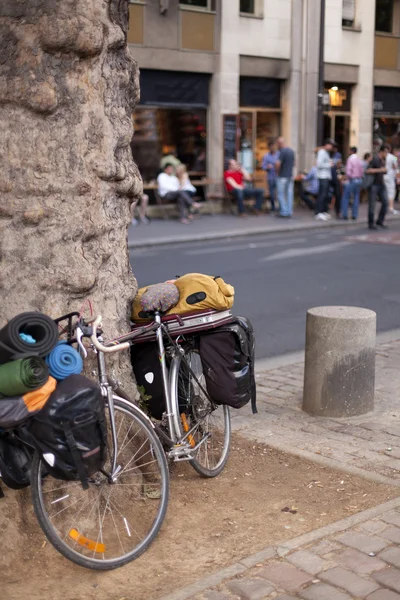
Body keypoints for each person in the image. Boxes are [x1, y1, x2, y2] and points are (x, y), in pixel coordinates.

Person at [365, 145, 388, 230]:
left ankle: (380, 221)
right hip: (374, 184)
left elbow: (383, 170)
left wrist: (384, 170)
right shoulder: (375, 159)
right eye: (386, 152)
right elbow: (368, 170)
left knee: (385, 202)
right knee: (372, 204)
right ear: (381, 152)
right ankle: (371, 223)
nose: (387, 154)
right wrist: (380, 170)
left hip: (381, 183)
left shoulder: (383, 160)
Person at [341, 146, 364, 221]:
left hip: (352, 180)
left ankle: (345, 214)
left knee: (346, 197)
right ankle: (354, 215)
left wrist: (348, 178)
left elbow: (348, 172)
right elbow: (362, 171)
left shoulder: (350, 159)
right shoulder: (359, 160)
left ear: (351, 151)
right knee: (356, 197)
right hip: (359, 179)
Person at [275, 136, 295, 218]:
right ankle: (289, 211)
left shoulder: (282, 151)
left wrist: (277, 172)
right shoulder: (291, 151)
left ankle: (284, 211)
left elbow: (277, 163)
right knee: (289, 194)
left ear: (280, 143)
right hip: (290, 175)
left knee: (281, 194)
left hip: (282, 176)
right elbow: (294, 163)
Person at [315, 138, 334, 221]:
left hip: (326, 176)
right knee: (322, 194)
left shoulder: (326, 153)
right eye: (331, 145)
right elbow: (319, 164)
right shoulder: (322, 152)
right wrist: (329, 164)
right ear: (327, 144)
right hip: (323, 176)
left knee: (325, 195)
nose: (331, 147)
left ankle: (323, 211)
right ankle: (318, 212)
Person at [261, 140, 279, 212]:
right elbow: (263, 166)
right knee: (271, 193)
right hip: (270, 177)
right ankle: (273, 207)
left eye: (273, 146)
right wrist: (267, 167)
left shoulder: (279, 154)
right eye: (271, 147)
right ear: (269, 148)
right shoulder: (266, 156)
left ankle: (280, 207)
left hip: (278, 176)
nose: (272, 148)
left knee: (278, 192)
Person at [383, 144, 398, 215]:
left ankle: (385, 207)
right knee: (391, 192)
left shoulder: (382, 156)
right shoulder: (393, 157)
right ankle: (391, 208)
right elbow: (396, 166)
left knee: (384, 192)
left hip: (383, 176)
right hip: (390, 176)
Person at [330, 142, 342, 218]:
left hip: (333, 176)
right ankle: (337, 210)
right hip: (332, 176)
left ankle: (337, 211)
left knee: (337, 194)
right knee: (336, 194)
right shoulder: (332, 155)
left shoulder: (337, 155)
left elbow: (338, 165)